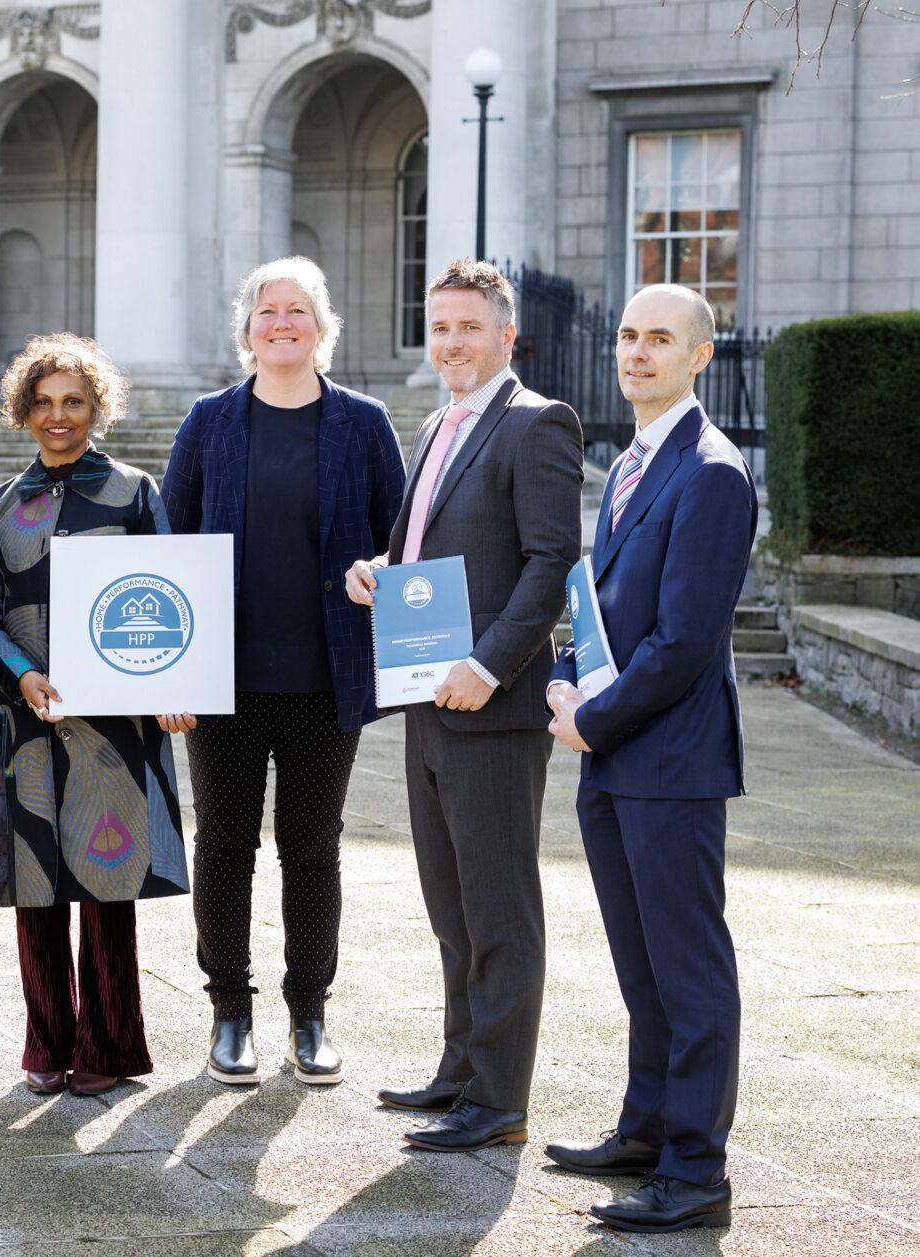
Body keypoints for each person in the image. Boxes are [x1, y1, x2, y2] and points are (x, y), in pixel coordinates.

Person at [345, 259, 583, 1152]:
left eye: (468, 328)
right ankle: (460, 1069)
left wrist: (489, 664)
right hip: (425, 698)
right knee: (449, 901)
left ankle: (500, 1098)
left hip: (493, 701)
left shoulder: (537, 425)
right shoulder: (439, 422)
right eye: (439, 327)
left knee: (499, 904)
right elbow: (434, 551)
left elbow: (550, 561)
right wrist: (378, 571)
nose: (451, 343)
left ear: (506, 335)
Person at [163, 257, 406, 1087]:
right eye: (268, 311)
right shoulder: (209, 421)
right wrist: (168, 675)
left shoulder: (365, 424)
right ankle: (230, 1013)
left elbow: (400, 542)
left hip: (325, 679)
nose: (282, 323)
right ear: (248, 328)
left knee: (312, 847)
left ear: (321, 325)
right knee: (224, 846)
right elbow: (171, 548)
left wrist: (377, 566)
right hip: (220, 680)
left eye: (298, 310)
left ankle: (309, 1014)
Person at [543, 284, 755, 1234]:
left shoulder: (711, 471)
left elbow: (683, 641)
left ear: (699, 355)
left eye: (658, 338)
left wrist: (597, 719)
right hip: (616, 757)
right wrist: (564, 674)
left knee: (690, 968)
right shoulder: (632, 458)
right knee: (641, 965)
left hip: (666, 760)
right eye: (628, 334)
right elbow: (609, 612)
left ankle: (697, 1167)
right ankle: (647, 1128)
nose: (635, 351)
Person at [0, 334, 191, 1098]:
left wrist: (175, 687)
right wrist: (22, 674)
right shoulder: (2, 503)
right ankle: (45, 1041)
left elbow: (172, 598)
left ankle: (108, 1044)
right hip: (27, 727)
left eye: (75, 402)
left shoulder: (133, 493)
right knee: (37, 891)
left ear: (98, 409)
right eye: (45, 402)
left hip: (115, 732)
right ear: (24, 411)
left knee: (107, 887)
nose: (59, 416)